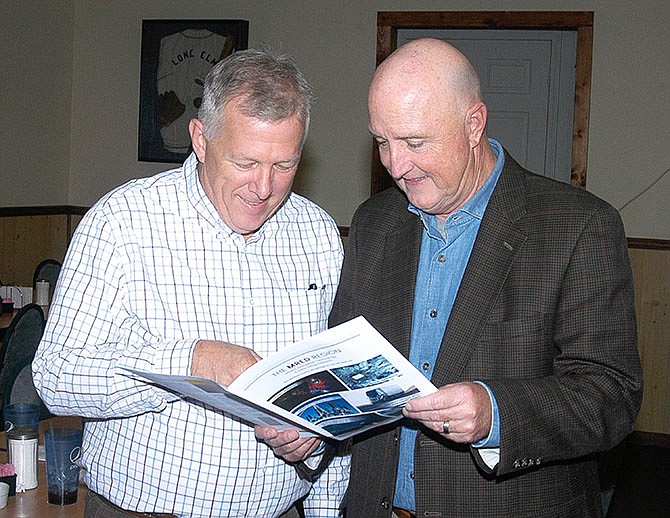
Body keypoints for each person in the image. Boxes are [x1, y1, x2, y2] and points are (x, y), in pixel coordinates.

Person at [262, 38, 643, 517]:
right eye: (383, 142)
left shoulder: (577, 226)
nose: (396, 166)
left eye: (415, 142)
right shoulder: (376, 223)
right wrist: (310, 429)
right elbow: (342, 372)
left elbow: (611, 395)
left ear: (473, 124)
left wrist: (496, 413)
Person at [33, 47, 349, 518]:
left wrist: (317, 445)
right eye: (244, 162)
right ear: (200, 139)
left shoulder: (318, 233)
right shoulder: (123, 223)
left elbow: (334, 386)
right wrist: (191, 361)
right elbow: (56, 376)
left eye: (284, 166)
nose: (263, 188)